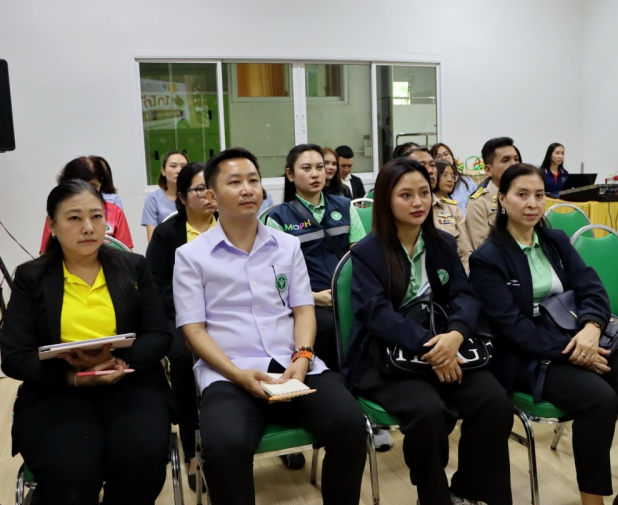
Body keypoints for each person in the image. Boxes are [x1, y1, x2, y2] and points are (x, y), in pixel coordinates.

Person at [172, 147, 367, 505]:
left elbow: (304, 310)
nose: (248, 189)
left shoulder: (287, 245)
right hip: (230, 374)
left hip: (294, 366)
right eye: (235, 182)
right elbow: (193, 331)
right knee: (224, 446)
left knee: (351, 424)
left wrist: (303, 359)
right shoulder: (191, 256)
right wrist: (238, 375)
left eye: (254, 180)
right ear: (212, 197)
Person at [470, 163, 618, 505]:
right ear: (502, 199)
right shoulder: (488, 258)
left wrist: (591, 328)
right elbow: (511, 326)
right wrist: (576, 350)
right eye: (522, 194)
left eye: (539, 195)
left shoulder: (555, 240)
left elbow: (592, 288)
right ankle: (592, 501)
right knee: (599, 400)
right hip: (529, 353)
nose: (532, 203)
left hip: (581, 335)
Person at [345, 158, 513, 505]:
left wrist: (456, 335)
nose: (418, 202)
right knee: (429, 413)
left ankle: (470, 488)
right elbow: (376, 314)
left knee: (494, 402)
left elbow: (465, 295)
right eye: (405, 195)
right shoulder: (367, 253)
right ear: (386, 200)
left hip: (446, 344)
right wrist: (433, 348)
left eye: (424, 192)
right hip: (386, 356)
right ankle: (433, 495)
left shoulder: (442, 244)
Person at [1, 179, 174, 505]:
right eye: (74, 217)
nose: (88, 227)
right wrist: (71, 376)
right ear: (52, 225)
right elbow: (13, 356)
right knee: (72, 470)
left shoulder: (133, 267)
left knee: (142, 458)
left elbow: (160, 334)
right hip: (56, 390)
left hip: (128, 382)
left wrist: (119, 361)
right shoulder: (31, 277)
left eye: (96, 216)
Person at [267, 144, 394, 452]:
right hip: (307, 302)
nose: (316, 174)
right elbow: (275, 278)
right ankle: (331, 414)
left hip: (349, 295)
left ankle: (368, 409)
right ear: (290, 174)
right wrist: (311, 298)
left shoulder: (344, 205)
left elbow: (362, 256)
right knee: (324, 327)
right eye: (306, 168)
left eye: (320, 168)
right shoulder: (277, 218)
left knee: (375, 319)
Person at [145, 163, 216, 492]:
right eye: (199, 189)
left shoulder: (232, 225)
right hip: (181, 317)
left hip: (230, 316)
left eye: (211, 187)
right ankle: (192, 449)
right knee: (184, 358)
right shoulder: (167, 235)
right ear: (183, 197)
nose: (208, 194)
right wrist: (193, 318)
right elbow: (157, 287)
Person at [39, 156, 133, 254]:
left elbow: (127, 253)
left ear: (101, 184)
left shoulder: (115, 212)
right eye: (74, 218)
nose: (88, 229)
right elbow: (45, 254)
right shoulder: (57, 213)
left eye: (96, 216)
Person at [465, 136, 521, 249]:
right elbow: (483, 249)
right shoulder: (479, 203)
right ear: (488, 170)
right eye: (505, 160)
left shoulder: (525, 197)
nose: (514, 164)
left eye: (516, 159)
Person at [426, 157, 473, 272]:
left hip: (452, 269)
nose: (450, 179)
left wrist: (465, 275)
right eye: (445, 175)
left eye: (453, 176)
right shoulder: (425, 205)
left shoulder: (453, 207)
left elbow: (465, 250)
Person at [142, 150, 188, 241]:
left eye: (183, 167)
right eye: (173, 166)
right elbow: (152, 241)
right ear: (163, 171)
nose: (179, 171)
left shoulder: (195, 195)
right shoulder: (153, 199)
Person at [432, 143, 476, 213]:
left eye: (446, 154)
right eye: (438, 156)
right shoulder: (431, 200)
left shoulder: (466, 181)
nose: (443, 158)